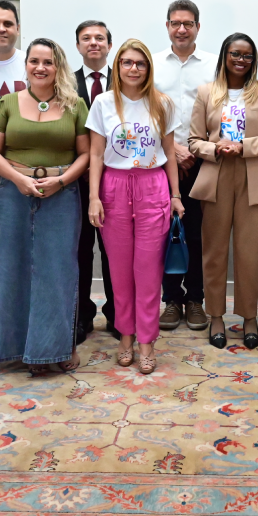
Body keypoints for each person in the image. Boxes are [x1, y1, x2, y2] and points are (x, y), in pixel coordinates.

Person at [0, 38, 90, 374]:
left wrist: (60, 181)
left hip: (61, 194)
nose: (40, 68)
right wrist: (18, 180)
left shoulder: (75, 105)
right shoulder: (7, 103)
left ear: (58, 66)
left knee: (58, 272)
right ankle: (16, 348)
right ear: (25, 65)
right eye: (34, 61)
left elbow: (87, 154)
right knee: (12, 269)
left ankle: (56, 349)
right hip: (13, 193)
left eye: (48, 62)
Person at [87, 39, 185, 374]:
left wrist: (175, 195)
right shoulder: (102, 103)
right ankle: (125, 337)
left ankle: (147, 342)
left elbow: (171, 153)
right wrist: (94, 197)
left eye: (140, 64)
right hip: (113, 187)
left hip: (151, 187)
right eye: (126, 63)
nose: (133, 69)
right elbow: (96, 155)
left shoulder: (162, 103)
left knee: (147, 271)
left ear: (148, 68)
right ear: (118, 67)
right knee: (119, 272)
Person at [189, 33, 258, 350]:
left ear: (253, 60)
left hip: (253, 175)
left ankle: (248, 318)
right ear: (224, 56)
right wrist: (216, 147)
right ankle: (215, 316)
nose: (241, 60)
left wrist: (243, 146)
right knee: (214, 252)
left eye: (247, 55)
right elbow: (193, 141)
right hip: (216, 174)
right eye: (235, 54)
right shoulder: (206, 92)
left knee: (248, 252)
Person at [152, 0, 217, 333]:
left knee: (197, 235)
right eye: (175, 23)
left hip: (203, 163)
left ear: (197, 27)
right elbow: (144, 111)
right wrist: (174, 149)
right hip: (162, 163)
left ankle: (195, 300)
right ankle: (171, 301)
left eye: (187, 24)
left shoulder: (212, 65)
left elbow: (221, 112)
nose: (181, 29)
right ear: (167, 26)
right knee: (165, 233)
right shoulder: (152, 65)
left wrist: (197, 149)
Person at [73, 19, 118, 342]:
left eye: (99, 38)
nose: (93, 43)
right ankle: (81, 314)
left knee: (115, 251)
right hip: (76, 182)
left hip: (117, 180)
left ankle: (118, 314)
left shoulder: (130, 79)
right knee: (78, 251)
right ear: (78, 46)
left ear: (109, 44)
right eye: (86, 39)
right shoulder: (65, 82)